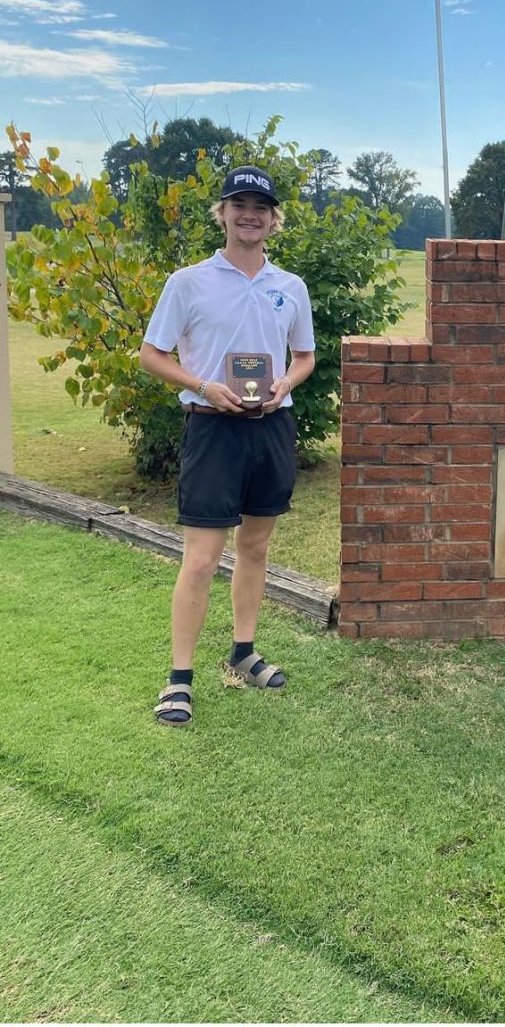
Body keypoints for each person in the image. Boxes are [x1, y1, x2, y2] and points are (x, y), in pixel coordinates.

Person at [140, 164, 315, 726]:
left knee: (256, 548)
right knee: (199, 559)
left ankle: (244, 654)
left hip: (271, 426)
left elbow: (305, 357)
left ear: (273, 219)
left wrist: (285, 383)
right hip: (212, 428)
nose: (250, 214)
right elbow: (153, 355)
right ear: (223, 213)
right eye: (239, 204)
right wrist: (202, 385)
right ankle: (179, 681)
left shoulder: (291, 287)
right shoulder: (188, 282)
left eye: (261, 207)